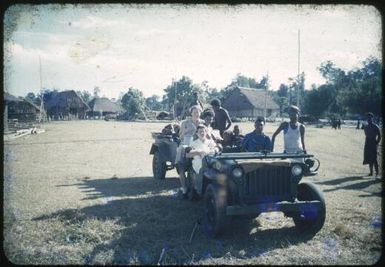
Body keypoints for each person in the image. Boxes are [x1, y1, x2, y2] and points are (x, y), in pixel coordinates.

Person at [175, 105, 204, 198]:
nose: (196, 114)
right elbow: (180, 137)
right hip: (186, 144)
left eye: (198, 112)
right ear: (191, 113)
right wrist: (188, 130)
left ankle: (200, 185)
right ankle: (184, 188)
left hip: (198, 145)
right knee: (181, 165)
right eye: (194, 112)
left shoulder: (202, 122)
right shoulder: (185, 123)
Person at [363, 112, 381, 177]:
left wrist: (377, 142)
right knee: (368, 157)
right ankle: (371, 172)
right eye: (367, 118)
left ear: (372, 118)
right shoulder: (366, 126)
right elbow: (366, 134)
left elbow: (379, 135)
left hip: (373, 142)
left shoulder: (375, 126)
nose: (368, 119)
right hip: (367, 142)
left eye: (370, 118)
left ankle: (377, 172)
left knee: (374, 158)